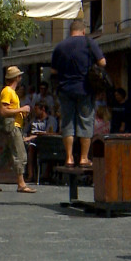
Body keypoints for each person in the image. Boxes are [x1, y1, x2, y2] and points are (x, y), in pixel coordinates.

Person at [51, 19, 106, 168]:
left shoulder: (60, 46)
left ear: (70, 31)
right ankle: (83, 158)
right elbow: (102, 63)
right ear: (83, 31)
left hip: (65, 89)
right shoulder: (89, 43)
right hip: (85, 89)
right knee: (85, 121)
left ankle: (69, 157)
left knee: (67, 122)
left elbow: (53, 71)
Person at [0, 66, 36, 193]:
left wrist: (21, 113)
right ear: (16, 78)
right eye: (19, 76)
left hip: (14, 125)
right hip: (12, 127)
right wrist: (22, 110)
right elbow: (3, 111)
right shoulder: (7, 91)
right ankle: (21, 184)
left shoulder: (11, 92)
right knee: (20, 153)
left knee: (5, 155)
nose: (21, 78)